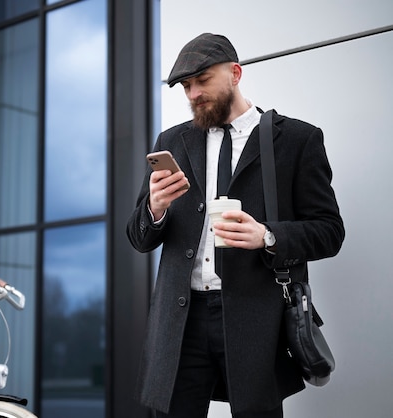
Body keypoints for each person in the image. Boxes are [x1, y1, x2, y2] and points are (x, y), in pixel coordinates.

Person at [126, 33, 344, 418]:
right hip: (181, 321)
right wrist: (155, 208)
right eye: (186, 86)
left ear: (235, 73)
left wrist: (268, 235)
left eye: (202, 80)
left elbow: (329, 231)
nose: (193, 93)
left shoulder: (296, 140)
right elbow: (139, 238)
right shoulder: (172, 141)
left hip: (255, 321)